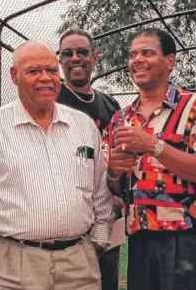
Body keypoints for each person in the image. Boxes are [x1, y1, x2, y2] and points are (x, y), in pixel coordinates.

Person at [0, 40, 114, 290]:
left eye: (51, 70)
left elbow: (99, 188)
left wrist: (101, 232)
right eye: (33, 71)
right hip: (14, 262)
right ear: (14, 76)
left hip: (79, 263)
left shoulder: (83, 126)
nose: (45, 78)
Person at [104, 28, 196, 290]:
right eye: (133, 55)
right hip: (140, 241)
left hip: (189, 239)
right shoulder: (120, 119)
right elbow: (113, 187)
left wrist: (154, 146)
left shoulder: (195, 107)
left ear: (170, 61)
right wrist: (113, 172)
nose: (137, 60)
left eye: (147, 52)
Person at [56, 29, 122, 290]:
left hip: (108, 214)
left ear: (94, 57)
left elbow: (116, 155)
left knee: (108, 278)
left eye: (82, 52)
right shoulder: (53, 99)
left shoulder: (110, 106)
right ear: (59, 60)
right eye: (67, 53)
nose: (75, 59)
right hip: (70, 214)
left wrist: (119, 193)